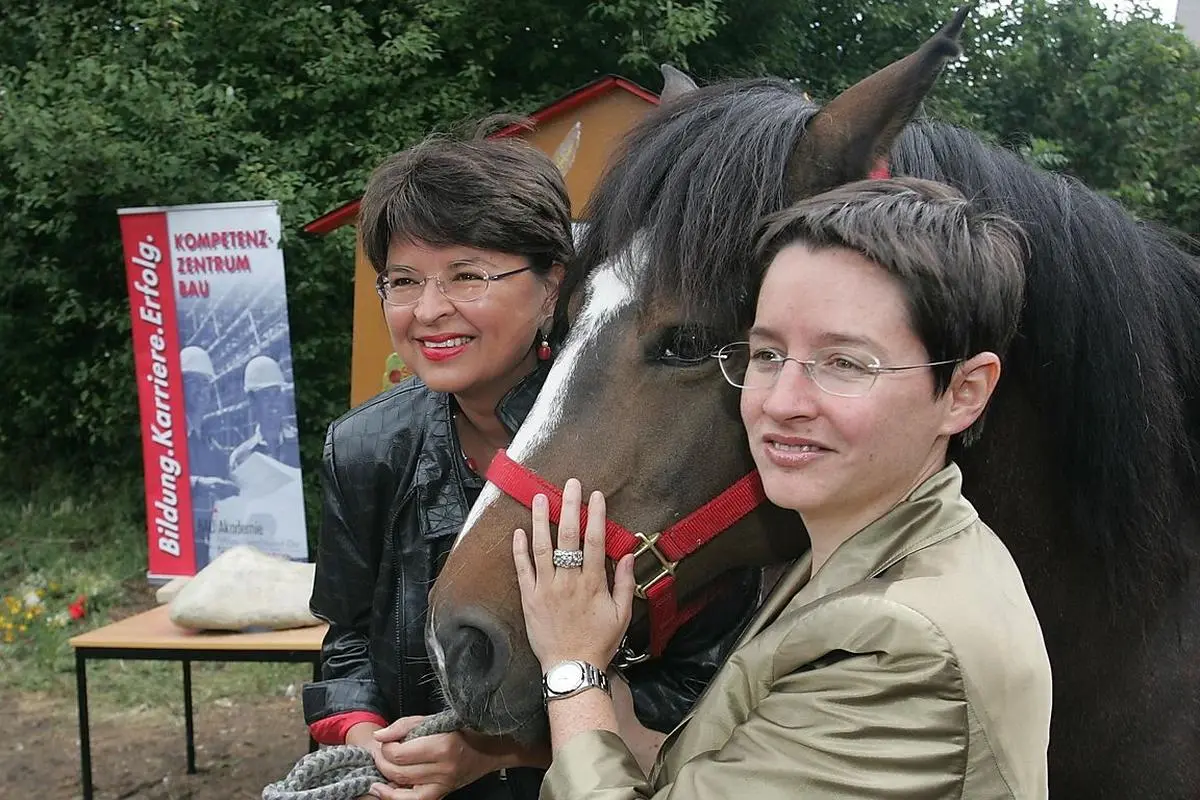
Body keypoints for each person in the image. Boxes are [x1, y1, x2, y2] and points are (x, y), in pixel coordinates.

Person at [512, 178, 1053, 799]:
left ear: (964, 392)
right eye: (766, 355)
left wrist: (572, 672)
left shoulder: (902, 645)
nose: (781, 402)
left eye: (845, 363)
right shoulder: (885, 548)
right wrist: (627, 734)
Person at [304, 122, 760, 800]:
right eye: (402, 280)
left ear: (554, 285)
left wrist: (500, 751)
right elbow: (348, 637)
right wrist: (369, 741)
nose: (429, 310)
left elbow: (699, 672)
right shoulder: (365, 449)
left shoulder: (633, 427)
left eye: (467, 275)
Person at [180, 345, 237, 568]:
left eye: (206, 384)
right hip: (180, 541)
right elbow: (159, 482)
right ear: (180, 386)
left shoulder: (208, 442)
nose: (203, 390)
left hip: (207, 538)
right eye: (195, 382)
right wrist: (201, 485)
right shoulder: (167, 436)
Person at [228, 354, 301, 472]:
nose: (274, 403)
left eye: (277, 394)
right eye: (266, 395)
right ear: (252, 401)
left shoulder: (299, 442)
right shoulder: (241, 459)